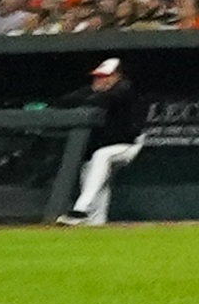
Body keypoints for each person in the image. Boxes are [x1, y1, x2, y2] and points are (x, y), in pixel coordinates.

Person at [56, 57, 147, 226]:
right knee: (91, 172)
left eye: (105, 76)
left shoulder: (125, 90)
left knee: (101, 156)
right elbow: (65, 101)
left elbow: (110, 99)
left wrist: (93, 94)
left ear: (117, 77)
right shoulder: (94, 91)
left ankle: (80, 210)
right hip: (105, 147)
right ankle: (96, 221)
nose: (100, 80)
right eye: (98, 76)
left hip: (129, 145)